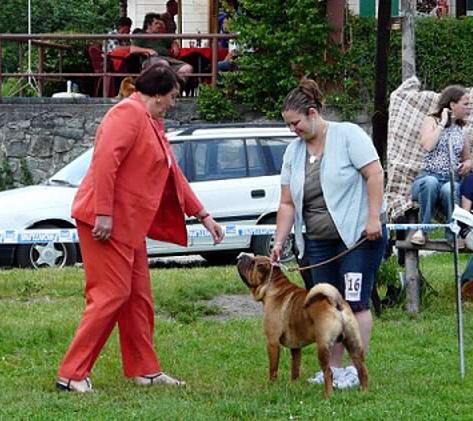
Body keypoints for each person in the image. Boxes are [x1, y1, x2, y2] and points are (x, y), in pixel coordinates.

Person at [56, 64, 224, 393]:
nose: (174, 103)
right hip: (104, 223)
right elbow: (105, 162)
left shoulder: (152, 121)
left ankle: (145, 370)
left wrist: (203, 214)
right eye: (173, 96)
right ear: (158, 94)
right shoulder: (127, 114)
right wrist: (103, 213)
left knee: (138, 299)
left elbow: (173, 172)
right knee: (111, 295)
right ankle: (71, 374)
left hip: (130, 225)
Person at [270, 78, 387, 389]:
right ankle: (331, 369)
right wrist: (280, 242)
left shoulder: (348, 135)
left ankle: (354, 367)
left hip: (359, 237)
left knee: (354, 301)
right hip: (318, 241)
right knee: (325, 304)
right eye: (288, 125)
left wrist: (374, 218)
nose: (292, 130)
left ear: (312, 113)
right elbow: (286, 203)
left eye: (295, 123)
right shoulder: (293, 153)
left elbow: (375, 174)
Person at [410, 85, 471, 245]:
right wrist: (442, 124)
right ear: (452, 105)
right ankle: (422, 230)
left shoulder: (462, 130)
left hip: (450, 179)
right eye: (465, 104)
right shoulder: (431, 121)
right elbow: (428, 145)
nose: (468, 107)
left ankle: (452, 235)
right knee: (431, 182)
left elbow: (467, 158)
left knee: (451, 189)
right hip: (427, 177)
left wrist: (467, 164)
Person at [133, 13, 192, 80]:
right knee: (163, 64)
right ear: (148, 25)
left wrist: (174, 45)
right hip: (151, 60)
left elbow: (173, 41)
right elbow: (132, 49)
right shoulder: (141, 35)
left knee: (187, 68)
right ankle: (164, 88)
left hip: (168, 60)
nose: (159, 25)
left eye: (160, 23)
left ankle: (175, 87)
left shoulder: (162, 36)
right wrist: (147, 50)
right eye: (156, 23)